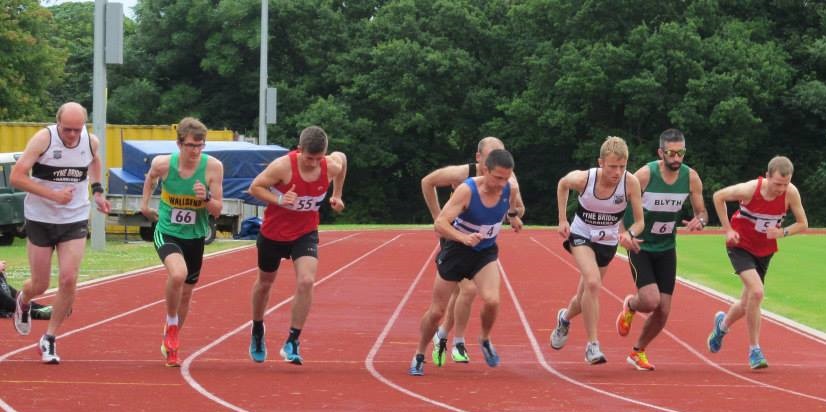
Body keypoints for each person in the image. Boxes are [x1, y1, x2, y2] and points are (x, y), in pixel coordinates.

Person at [9, 102, 111, 364]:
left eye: (78, 130)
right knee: (40, 283)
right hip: (40, 218)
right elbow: (17, 177)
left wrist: (97, 191)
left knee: (68, 279)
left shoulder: (90, 142)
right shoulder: (44, 138)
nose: (73, 136)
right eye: (68, 130)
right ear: (58, 124)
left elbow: (95, 162)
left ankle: (50, 338)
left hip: (74, 217)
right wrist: (53, 195)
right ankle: (24, 299)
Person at [409, 149, 522, 376]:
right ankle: (420, 353)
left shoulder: (510, 188)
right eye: (497, 177)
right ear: (484, 170)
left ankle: (485, 339)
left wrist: (513, 217)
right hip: (457, 251)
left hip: (485, 252)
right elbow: (440, 224)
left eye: (506, 177)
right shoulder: (467, 191)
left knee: (492, 300)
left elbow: (513, 206)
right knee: (437, 312)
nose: (502, 183)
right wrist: (463, 238)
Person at [247, 126, 347, 365]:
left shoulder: (330, 165)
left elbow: (342, 159)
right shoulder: (282, 166)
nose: (313, 163)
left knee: (306, 281)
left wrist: (338, 194)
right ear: (299, 150)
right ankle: (258, 330)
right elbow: (255, 187)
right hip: (273, 233)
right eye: (308, 158)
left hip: (305, 232)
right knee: (264, 283)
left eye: (318, 158)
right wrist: (280, 199)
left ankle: (293, 339)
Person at [614, 129, 707, 371]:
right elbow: (616, 205)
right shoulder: (644, 175)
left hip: (667, 247)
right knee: (650, 300)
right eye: (671, 153)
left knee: (664, 309)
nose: (677, 158)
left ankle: (638, 351)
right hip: (640, 245)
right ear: (660, 152)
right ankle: (632, 306)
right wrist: (622, 234)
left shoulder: (691, 177)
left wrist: (701, 221)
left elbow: (702, 212)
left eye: (681, 153)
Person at [550, 136, 644, 365]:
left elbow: (640, 222)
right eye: (613, 166)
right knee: (593, 283)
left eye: (622, 166)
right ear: (601, 162)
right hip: (581, 235)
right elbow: (563, 183)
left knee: (583, 298)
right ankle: (592, 346)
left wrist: (628, 234)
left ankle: (564, 318)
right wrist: (562, 219)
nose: (617, 172)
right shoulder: (585, 179)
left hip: (608, 242)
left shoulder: (630, 183)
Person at [707, 155, 807, 369]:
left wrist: (782, 232)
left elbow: (802, 223)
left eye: (785, 184)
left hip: (764, 251)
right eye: (778, 183)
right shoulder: (750, 189)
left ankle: (721, 327)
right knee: (758, 292)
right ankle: (755, 350)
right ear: (768, 176)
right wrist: (728, 229)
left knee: (746, 303)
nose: (781, 189)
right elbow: (718, 196)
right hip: (740, 245)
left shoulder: (791, 193)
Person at [140, 117, 224, 367]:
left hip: (195, 235)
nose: (195, 151)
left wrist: (206, 198)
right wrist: (145, 205)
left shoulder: (213, 167)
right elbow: (151, 178)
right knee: (178, 275)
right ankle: (172, 325)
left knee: (186, 293)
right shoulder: (163, 164)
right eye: (190, 146)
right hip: (167, 230)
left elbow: (218, 210)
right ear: (179, 144)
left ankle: (170, 336)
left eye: (200, 146)